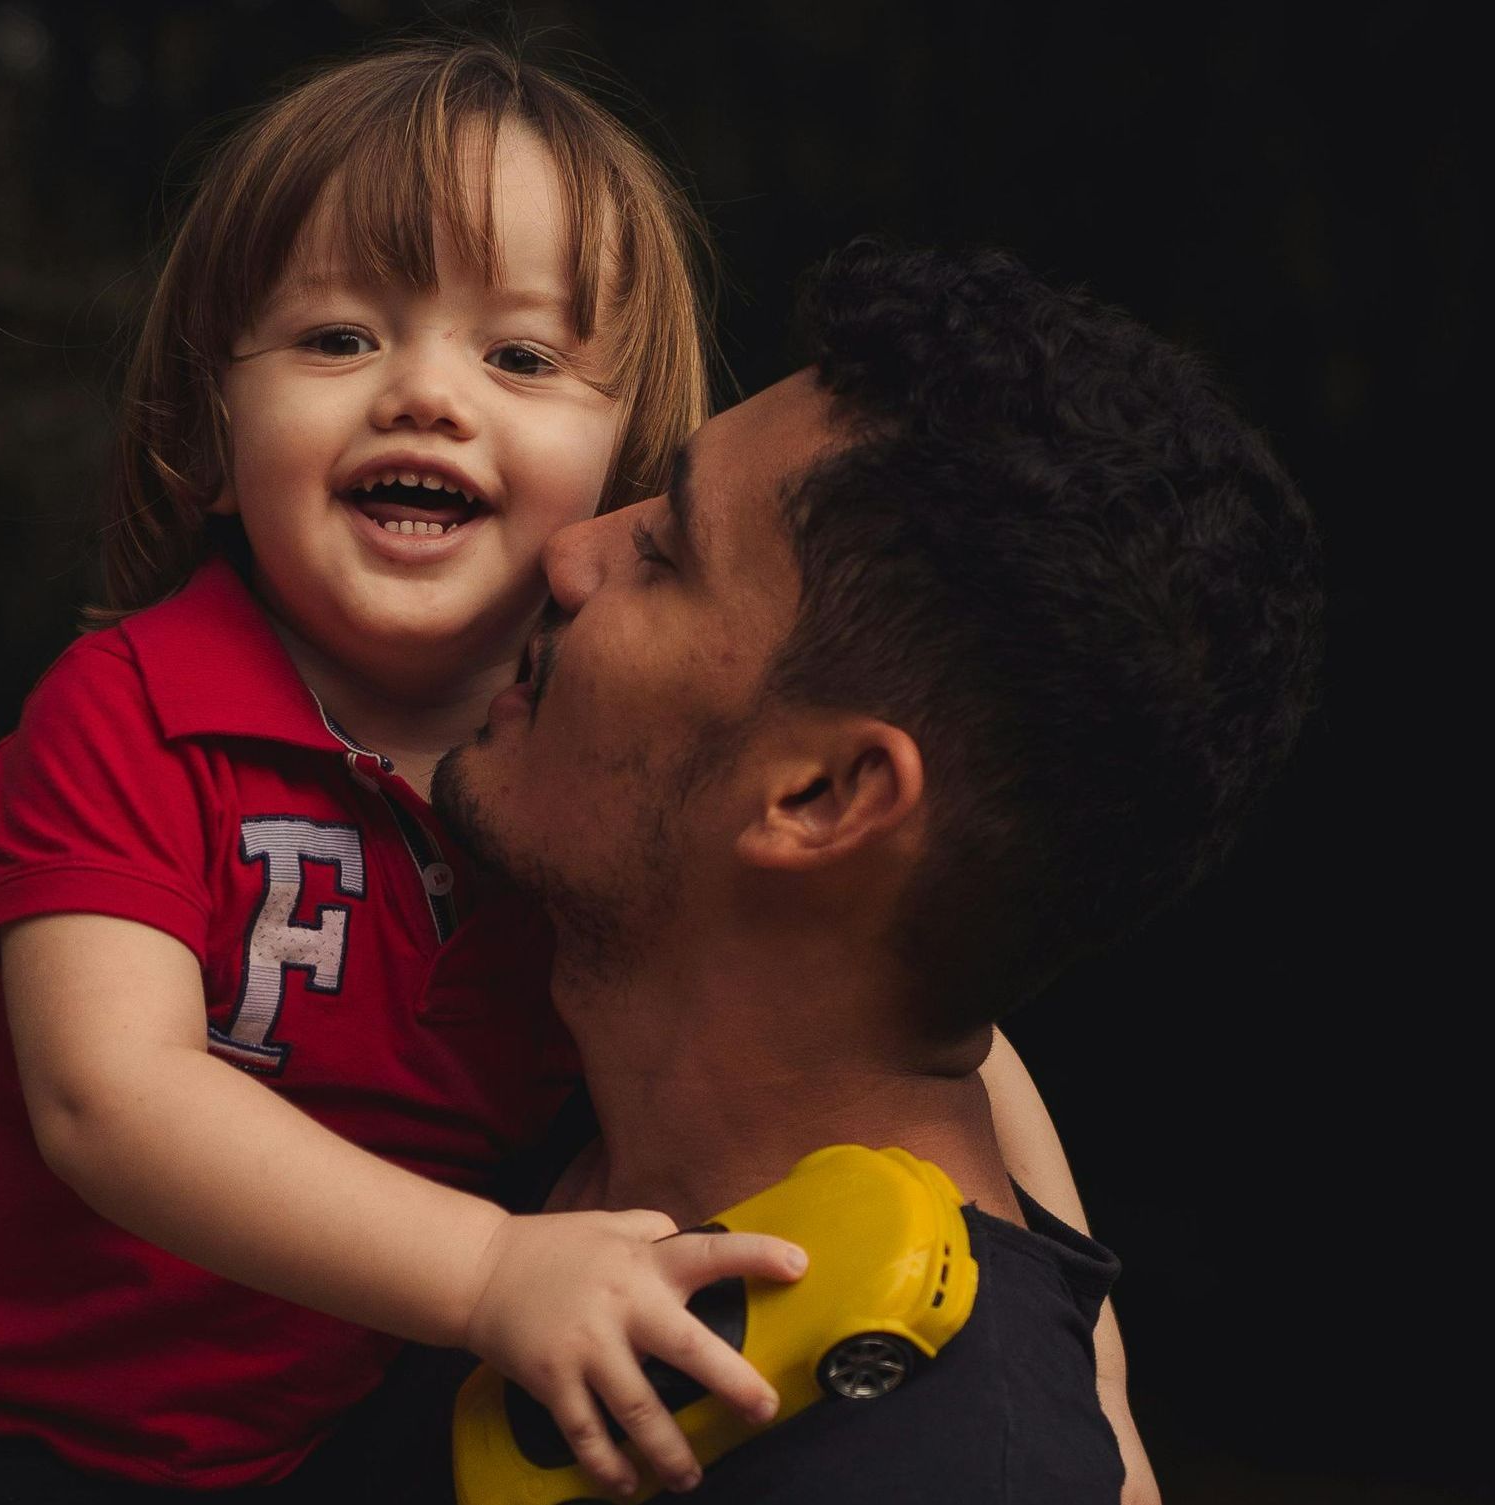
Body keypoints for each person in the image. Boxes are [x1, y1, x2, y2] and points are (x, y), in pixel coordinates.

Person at [0, 39, 808, 1502]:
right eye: (340, 338)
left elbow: (889, 988)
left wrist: (1069, 1327)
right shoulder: (130, 710)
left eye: (519, 356)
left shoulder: (608, 776)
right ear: (211, 436)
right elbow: (108, 1098)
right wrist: (489, 1272)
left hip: (301, 1455)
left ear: (624, 484)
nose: (426, 395)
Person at [432, 238, 1322, 1502]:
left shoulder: (935, 1462)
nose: (572, 552)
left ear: (822, 798)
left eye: (667, 553)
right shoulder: (459, 1072)